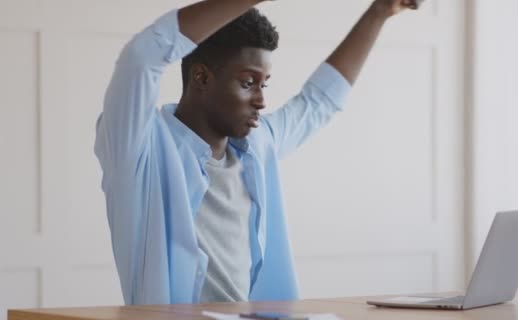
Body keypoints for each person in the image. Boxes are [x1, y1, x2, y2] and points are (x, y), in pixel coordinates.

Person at [94, 0, 420, 305]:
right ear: (201, 77)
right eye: (248, 82)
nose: (261, 100)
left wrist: (380, 11)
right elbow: (142, 56)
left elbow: (318, 102)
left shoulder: (258, 145)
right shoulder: (141, 148)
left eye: (264, 84)